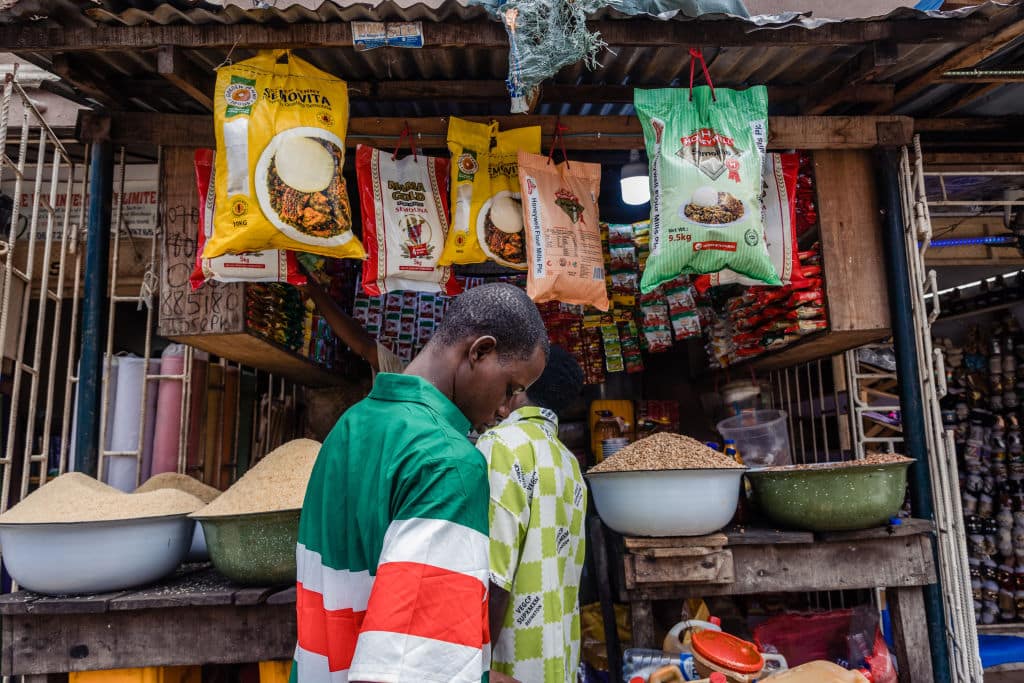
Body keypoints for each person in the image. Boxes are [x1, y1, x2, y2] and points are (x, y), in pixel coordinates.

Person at [291, 282, 549, 683]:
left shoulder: (349, 427)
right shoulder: (450, 463)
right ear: (479, 351)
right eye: (511, 388)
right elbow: (414, 671)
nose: (504, 409)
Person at [476, 346, 588, 683]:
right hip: (560, 658)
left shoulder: (501, 444)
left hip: (509, 665)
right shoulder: (568, 462)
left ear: (522, 383)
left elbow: (495, 575)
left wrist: (476, 666)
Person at [302, 276, 406, 375]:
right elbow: (363, 343)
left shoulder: (407, 380)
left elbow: (365, 346)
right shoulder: (409, 379)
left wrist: (313, 289)